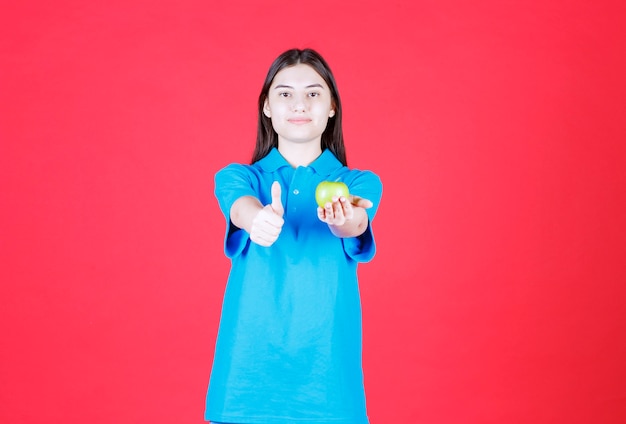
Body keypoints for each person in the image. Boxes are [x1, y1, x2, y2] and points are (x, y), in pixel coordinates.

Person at [205, 48, 383, 424]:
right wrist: (257, 220)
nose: (299, 104)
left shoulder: (357, 183)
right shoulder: (239, 177)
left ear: (332, 106)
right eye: (285, 93)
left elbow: (355, 223)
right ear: (267, 107)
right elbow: (239, 206)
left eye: (313, 93)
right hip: (246, 377)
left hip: (328, 378)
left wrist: (343, 217)